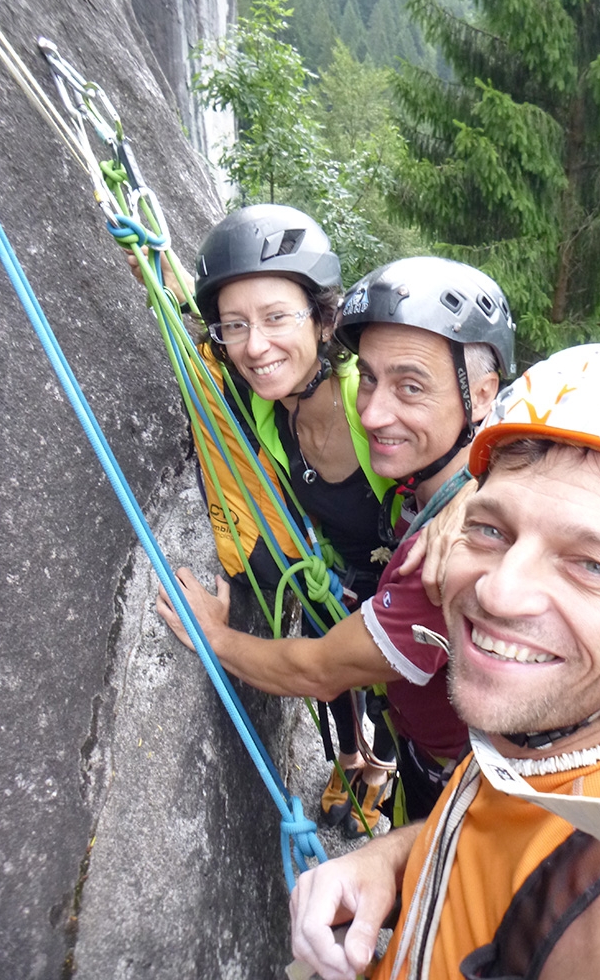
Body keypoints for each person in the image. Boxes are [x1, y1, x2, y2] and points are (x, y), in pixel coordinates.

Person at [288, 344, 600, 980]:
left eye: (592, 565)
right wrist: (393, 862)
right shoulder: (552, 742)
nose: (498, 592)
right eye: (491, 531)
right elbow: (506, 829)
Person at [156, 255, 516, 825]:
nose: (375, 411)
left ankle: (376, 768)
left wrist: (212, 638)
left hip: (464, 784)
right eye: (371, 378)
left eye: (411, 386)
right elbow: (229, 363)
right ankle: (364, 764)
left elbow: (317, 670)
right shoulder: (416, 490)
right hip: (395, 673)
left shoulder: (449, 558)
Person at [141, 203, 403, 837]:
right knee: (336, 678)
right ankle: (348, 758)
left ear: (321, 318)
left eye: (277, 317)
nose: (255, 345)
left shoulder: (368, 403)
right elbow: (200, 344)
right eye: (237, 326)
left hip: (401, 593)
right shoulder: (267, 403)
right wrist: (153, 269)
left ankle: (383, 769)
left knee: (397, 692)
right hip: (330, 578)